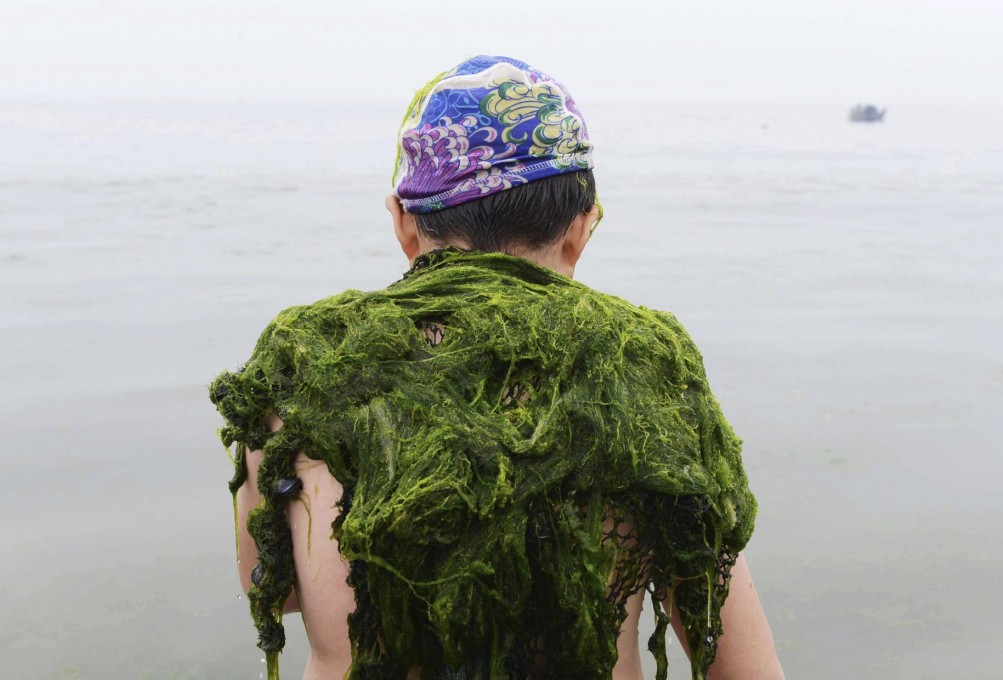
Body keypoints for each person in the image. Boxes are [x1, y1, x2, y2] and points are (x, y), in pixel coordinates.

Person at [212, 55, 784, 680]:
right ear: (581, 224)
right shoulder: (647, 365)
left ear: (404, 222)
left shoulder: (303, 361)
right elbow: (742, 665)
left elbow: (275, 587)